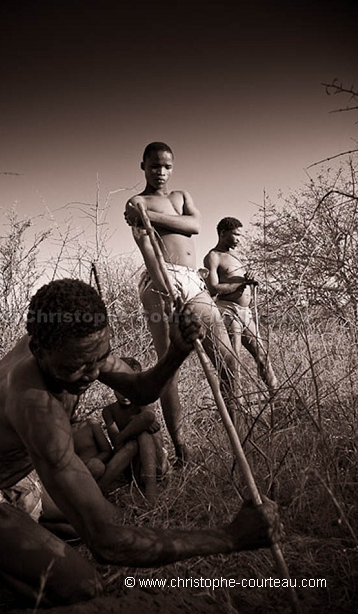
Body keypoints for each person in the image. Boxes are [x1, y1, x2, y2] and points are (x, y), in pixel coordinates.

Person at [0, 278, 281, 606]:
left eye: (99, 359)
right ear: (39, 351)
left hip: (11, 482)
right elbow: (108, 544)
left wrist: (176, 353)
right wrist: (230, 537)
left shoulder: (71, 344)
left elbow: (138, 389)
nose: (92, 374)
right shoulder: (35, 402)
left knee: (89, 520)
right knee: (82, 584)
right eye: (76, 367)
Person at [125, 142, 239, 460]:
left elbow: (196, 225)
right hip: (160, 278)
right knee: (168, 366)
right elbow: (147, 247)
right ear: (143, 166)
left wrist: (149, 217)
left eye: (167, 166)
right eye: (154, 166)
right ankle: (181, 449)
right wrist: (164, 286)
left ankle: (238, 434)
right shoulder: (136, 200)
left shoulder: (180, 197)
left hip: (193, 280)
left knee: (227, 358)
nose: (161, 172)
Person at [203, 217, 278, 403]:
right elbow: (212, 289)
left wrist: (251, 279)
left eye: (240, 235)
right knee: (232, 361)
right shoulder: (213, 256)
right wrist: (239, 286)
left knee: (262, 355)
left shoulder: (236, 256)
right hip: (228, 311)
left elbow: (241, 280)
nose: (239, 239)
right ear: (223, 233)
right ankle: (235, 404)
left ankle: (277, 398)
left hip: (246, 313)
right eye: (235, 234)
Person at [101, 357, 168, 504]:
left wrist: (129, 430)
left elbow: (149, 416)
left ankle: (151, 488)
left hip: (156, 465)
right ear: (112, 386)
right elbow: (117, 443)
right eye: (119, 388)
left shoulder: (143, 403)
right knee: (133, 443)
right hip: (132, 469)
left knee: (144, 435)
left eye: (129, 388)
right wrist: (136, 424)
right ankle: (99, 488)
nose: (124, 394)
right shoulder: (109, 411)